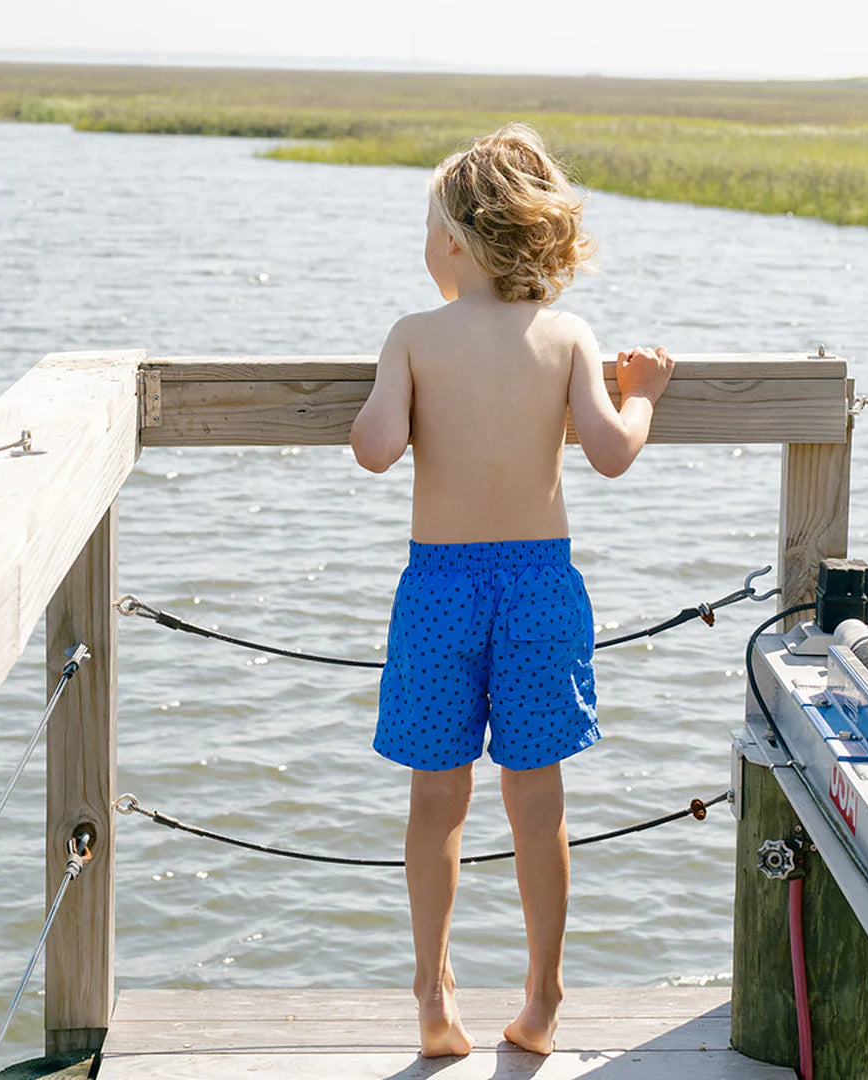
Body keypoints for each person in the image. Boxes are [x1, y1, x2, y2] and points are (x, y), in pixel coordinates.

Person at [350, 122, 674, 1059]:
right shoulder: (569, 334)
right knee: (539, 798)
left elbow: (374, 450)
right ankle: (541, 999)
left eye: (426, 232)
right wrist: (644, 391)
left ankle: (431, 995)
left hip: (442, 587)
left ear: (453, 241)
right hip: (540, 586)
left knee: (436, 799)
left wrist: (385, 391)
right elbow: (610, 452)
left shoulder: (414, 336)